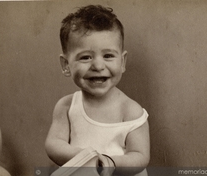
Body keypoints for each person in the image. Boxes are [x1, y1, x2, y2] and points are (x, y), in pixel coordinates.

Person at [45, 5, 150, 176]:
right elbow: (54, 144)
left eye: (108, 56)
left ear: (122, 62)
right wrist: (86, 159)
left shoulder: (130, 110)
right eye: (85, 57)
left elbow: (140, 157)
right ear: (66, 66)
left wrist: (110, 162)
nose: (98, 66)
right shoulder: (66, 106)